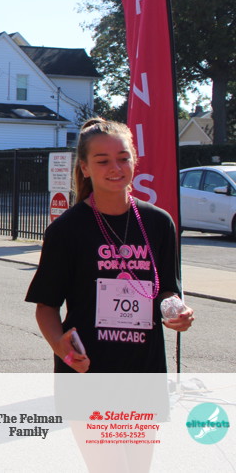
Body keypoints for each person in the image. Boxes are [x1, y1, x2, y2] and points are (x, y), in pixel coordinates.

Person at [25, 118, 194, 471]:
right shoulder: (66, 229)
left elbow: (166, 290)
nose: (115, 168)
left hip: (143, 371)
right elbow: (46, 307)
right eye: (102, 161)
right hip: (89, 372)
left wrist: (175, 311)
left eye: (123, 158)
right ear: (85, 167)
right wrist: (62, 348)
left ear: (134, 160)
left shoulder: (159, 223)